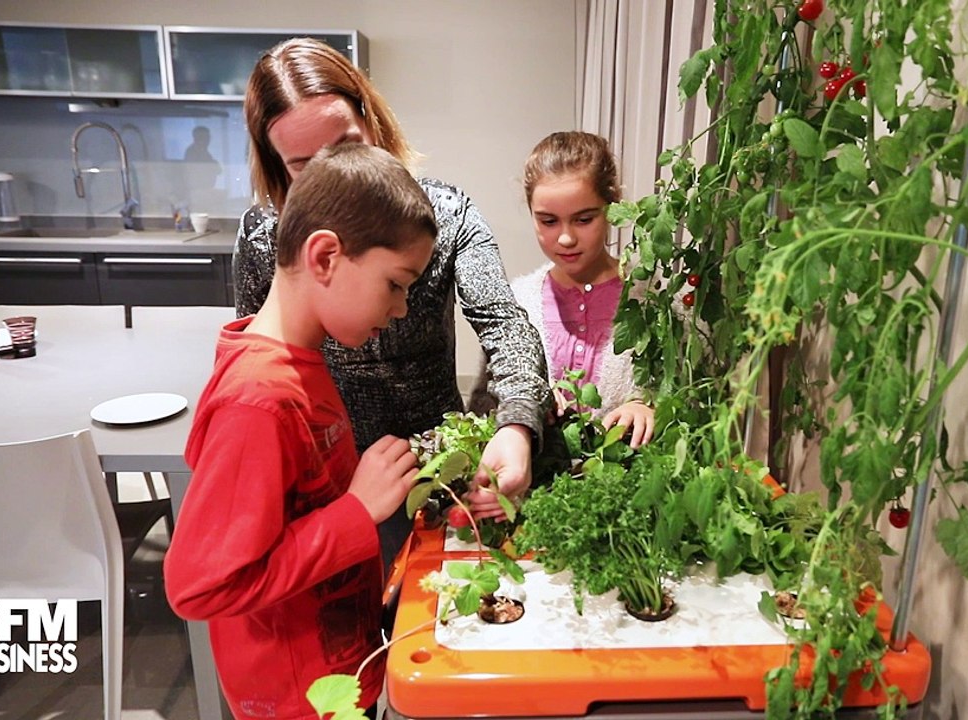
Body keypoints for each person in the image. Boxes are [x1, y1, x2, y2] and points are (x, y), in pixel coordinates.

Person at [234, 38, 549, 548]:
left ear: (372, 121)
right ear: (276, 166)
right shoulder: (262, 237)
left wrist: (516, 426)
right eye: (303, 165)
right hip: (329, 493)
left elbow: (506, 326)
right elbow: (264, 370)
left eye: (346, 144)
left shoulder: (445, 215)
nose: (334, 178)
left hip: (440, 476)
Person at [165, 143, 438, 720]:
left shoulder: (302, 363)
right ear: (324, 257)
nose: (402, 309)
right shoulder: (258, 400)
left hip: (334, 675)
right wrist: (357, 512)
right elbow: (200, 585)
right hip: (297, 702)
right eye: (396, 283)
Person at [476, 131, 654, 448]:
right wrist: (527, 406)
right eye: (548, 221)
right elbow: (484, 406)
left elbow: (687, 400)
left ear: (611, 206)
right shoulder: (516, 304)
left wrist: (648, 408)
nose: (566, 238)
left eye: (583, 220)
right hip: (535, 488)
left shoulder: (651, 301)